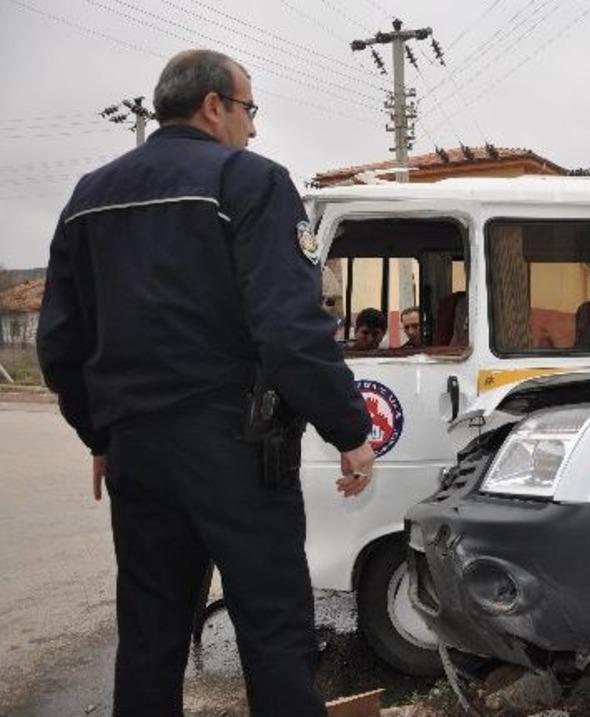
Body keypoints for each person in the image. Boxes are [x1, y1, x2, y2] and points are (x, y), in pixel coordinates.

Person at [37, 49, 374, 717]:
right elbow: (289, 328)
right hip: (237, 450)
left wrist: (100, 433)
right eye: (249, 110)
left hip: (136, 452)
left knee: (149, 637)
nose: (252, 128)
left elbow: (59, 344)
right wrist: (349, 428)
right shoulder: (247, 181)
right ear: (214, 106)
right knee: (273, 634)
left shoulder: (87, 198)